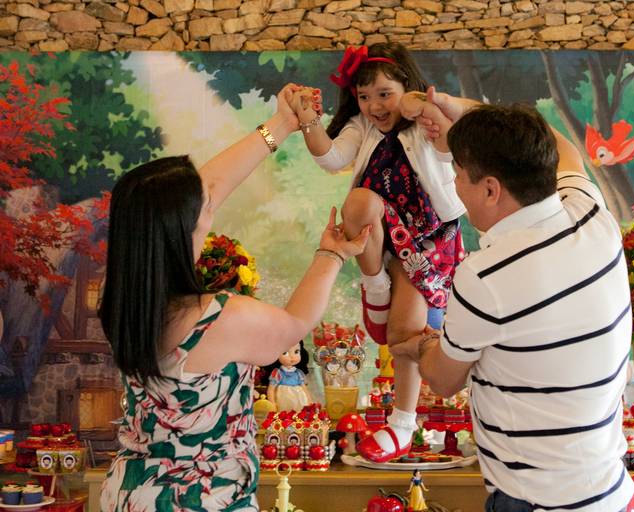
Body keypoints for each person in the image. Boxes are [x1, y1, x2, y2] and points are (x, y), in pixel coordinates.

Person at [98, 85, 371, 511]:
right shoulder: (217, 319)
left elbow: (208, 184)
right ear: (183, 225)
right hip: (201, 500)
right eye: (203, 204)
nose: (212, 199)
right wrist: (331, 254)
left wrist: (281, 124)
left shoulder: (124, 303)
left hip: (132, 493)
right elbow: (293, 328)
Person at [392, 92, 634, 511]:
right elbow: (565, 148)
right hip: (607, 493)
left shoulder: (486, 275)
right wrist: (463, 108)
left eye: (458, 174)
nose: (454, 186)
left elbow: (445, 380)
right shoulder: (592, 214)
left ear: (490, 189)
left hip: (536, 502)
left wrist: (419, 345)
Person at [287, 43, 467, 462]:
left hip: (427, 240)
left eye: (384, 93)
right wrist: (308, 119)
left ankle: (403, 424)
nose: (373, 106)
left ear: (408, 86)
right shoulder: (362, 128)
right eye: (363, 97)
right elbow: (331, 158)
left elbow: (447, 148)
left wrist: (420, 105)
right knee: (359, 201)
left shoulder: (425, 122)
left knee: (405, 332)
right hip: (382, 240)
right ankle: (374, 285)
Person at [262, 340, 313, 412]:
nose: (292, 357)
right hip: (283, 399)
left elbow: (304, 388)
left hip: (299, 399)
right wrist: (272, 403)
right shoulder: (278, 373)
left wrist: (309, 400)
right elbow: (271, 389)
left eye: (296, 352)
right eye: (285, 353)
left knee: (300, 412)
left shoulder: (298, 372)